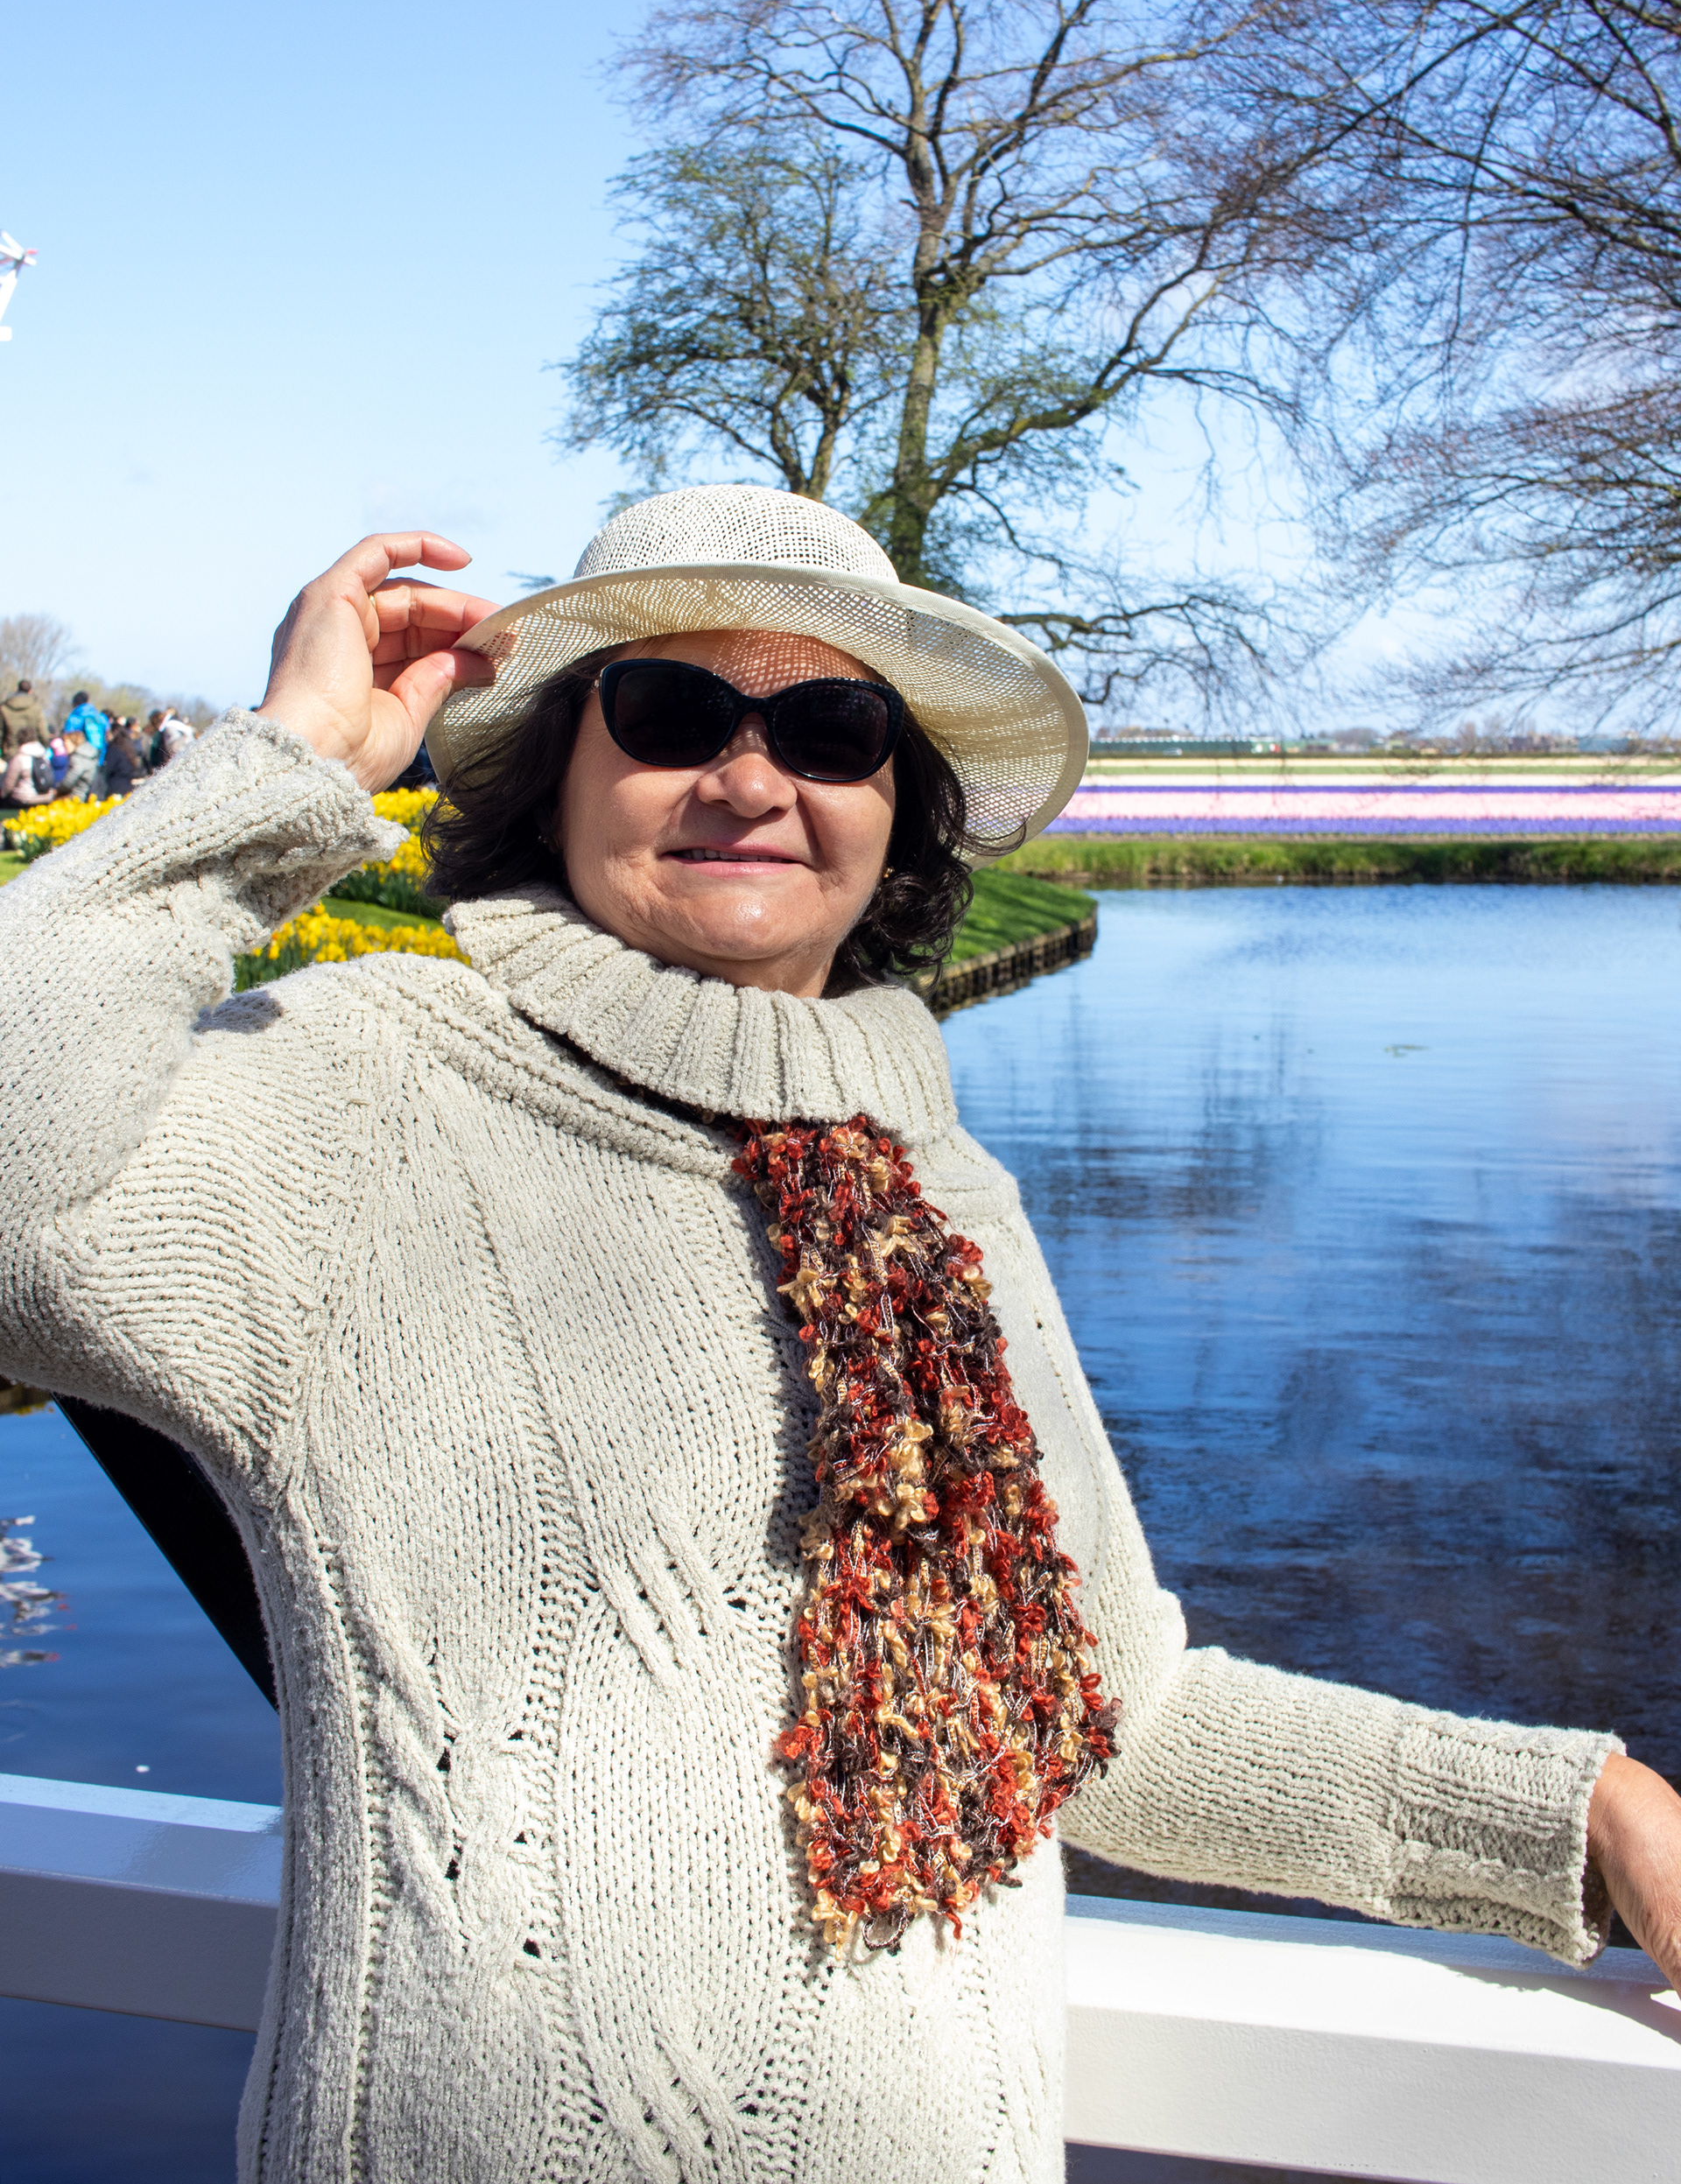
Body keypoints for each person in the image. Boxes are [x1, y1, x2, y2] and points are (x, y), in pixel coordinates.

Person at [1, 490, 1677, 2184]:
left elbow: (1101, 1716)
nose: (750, 780)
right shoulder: (364, 1085)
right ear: (558, 772)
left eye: (829, 729)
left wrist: (1585, 1814)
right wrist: (283, 770)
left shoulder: (940, 1194)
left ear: (897, 806)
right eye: (669, 713)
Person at [61, 692, 109, 795]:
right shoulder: (101, 717)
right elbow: (107, 737)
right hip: (99, 758)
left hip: (79, 760)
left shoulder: (74, 718)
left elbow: (68, 739)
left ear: (75, 703)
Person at [0, 678, 50, 762]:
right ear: (30, 691)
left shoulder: (4, 708)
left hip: (11, 755)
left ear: (16, 689)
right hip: (32, 756)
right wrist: (43, 748)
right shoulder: (36, 708)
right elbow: (44, 734)